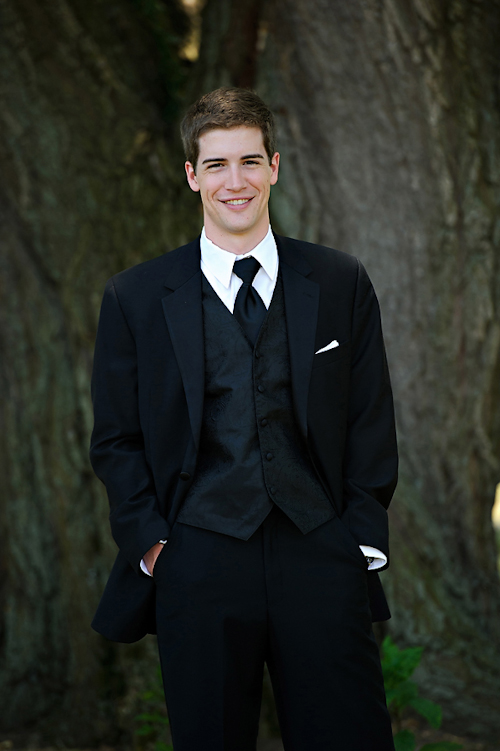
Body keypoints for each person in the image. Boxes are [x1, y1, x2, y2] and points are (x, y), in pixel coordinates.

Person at [90, 87, 398, 751]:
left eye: (251, 161)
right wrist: (154, 546)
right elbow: (116, 438)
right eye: (219, 165)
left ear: (276, 167)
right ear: (192, 175)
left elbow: (372, 415)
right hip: (196, 556)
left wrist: (359, 541)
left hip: (320, 552)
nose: (238, 181)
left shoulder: (340, 281)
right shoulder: (137, 297)